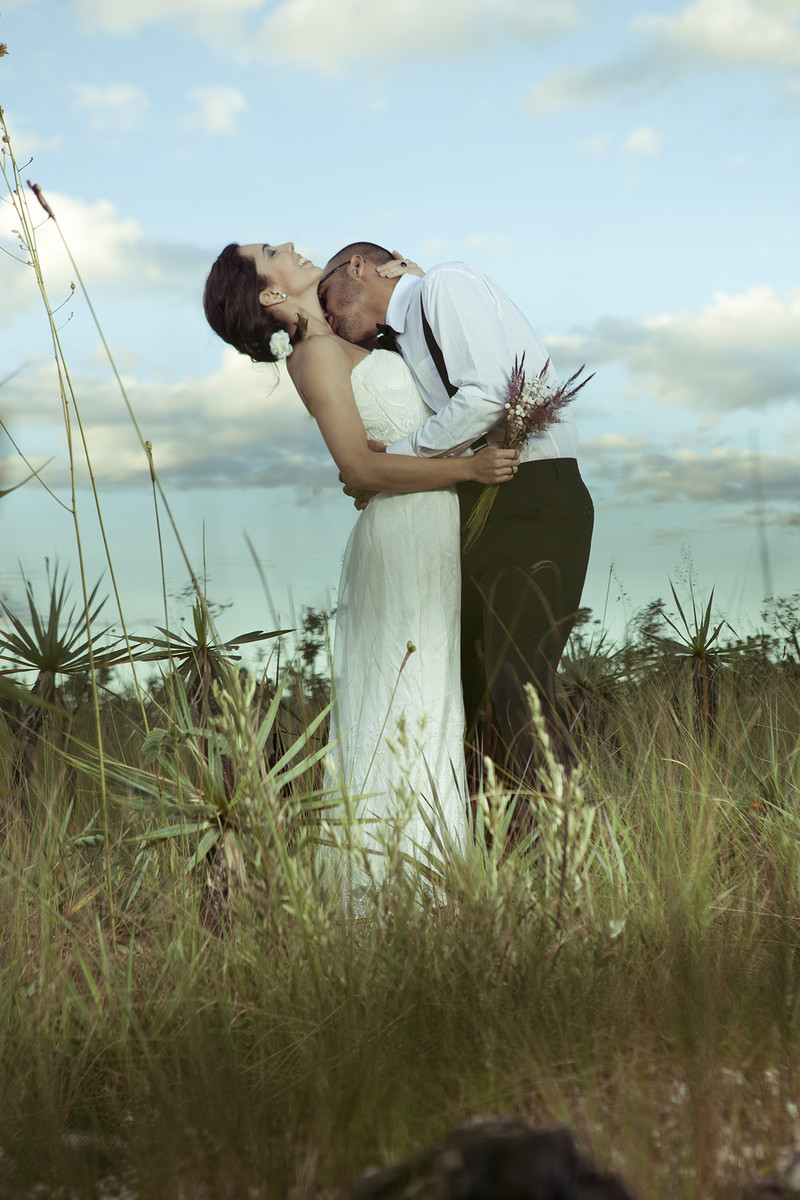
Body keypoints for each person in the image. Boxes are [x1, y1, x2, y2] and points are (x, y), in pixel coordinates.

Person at [202, 241, 519, 880]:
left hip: (427, 522)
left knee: (433, 697)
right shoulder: (314, 357)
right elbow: (357, 465)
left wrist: (408, 274)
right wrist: (472, 468)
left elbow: (411, 409)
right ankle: (397, 887)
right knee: (410, 701)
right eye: (271, 252)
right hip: (402, 533)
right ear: (269, 293)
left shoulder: (351, 339)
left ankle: (427, 875)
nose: (289, 245)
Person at [318, 243, 594, 788]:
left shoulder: (443, 285)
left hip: (536, 495)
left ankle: (573, 847)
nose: (325, 315)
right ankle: (493, 857)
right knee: (469, 695)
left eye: (325, 295)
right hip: (476, 509)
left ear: (356, 268)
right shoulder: (396, 345)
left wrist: (390, 458)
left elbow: (489, 395)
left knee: (520, 687)